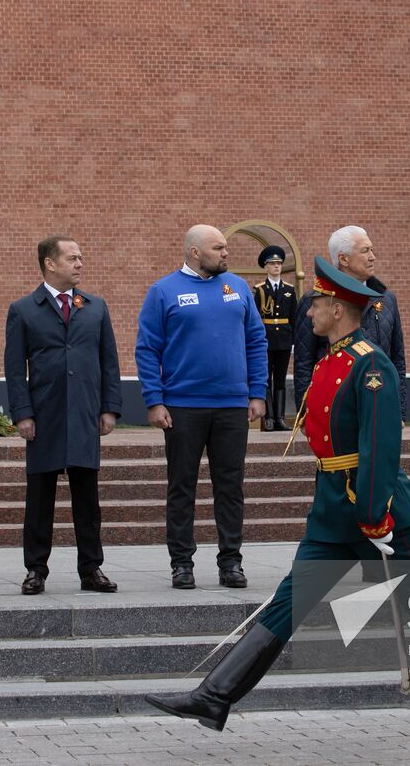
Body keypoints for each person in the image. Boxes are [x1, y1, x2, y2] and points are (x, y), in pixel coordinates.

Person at [145, 258, 410, 750]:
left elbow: (381, 445)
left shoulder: (369, 363)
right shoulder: (331, 359)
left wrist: (375, 515)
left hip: (373, 509)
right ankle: (215, 696)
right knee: (288, 604)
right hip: (333, 510)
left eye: (315, 303)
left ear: (337, 308)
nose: (309, 311)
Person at [136, 224, 268, 589]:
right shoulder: (163, 291)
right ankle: (182, 563)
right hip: (182, 407)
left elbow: (256, 341)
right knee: (182, 486)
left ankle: (231, 562)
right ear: (195, 252)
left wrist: (257, 392)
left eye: (225, 247)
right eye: (218, 248)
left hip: (231, 406)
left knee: (231, 486)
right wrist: (154, 400)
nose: (226, 253)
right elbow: (147, 349)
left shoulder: (238, 288)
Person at [5, 235, 123, 595]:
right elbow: (14, 369)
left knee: (87, 498)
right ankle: (35, 570)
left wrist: (109, 408)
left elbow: (109, 362)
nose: (79, 264)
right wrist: (23, 413)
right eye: (72, 258)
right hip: (45, 415)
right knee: (39, 498)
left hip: (85, 413)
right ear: (49, 263)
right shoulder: (24, 309)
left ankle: (91, 569)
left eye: (81, 258)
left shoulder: (95, 307)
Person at [293, 226, 406, 420]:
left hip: (379, 404)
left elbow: (397, 360)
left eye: (372, 249)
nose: (372, 257)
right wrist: (305, 414)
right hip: (336, 410)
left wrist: (400, 411)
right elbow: (304, 361)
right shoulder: (316, 301)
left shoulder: (386, 299)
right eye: (364, 251)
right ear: (343, 259)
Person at [252, 244, 298, 430]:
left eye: (279, 263)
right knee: (266, 379)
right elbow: (256, 318)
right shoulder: (260, 290)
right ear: (266, 266)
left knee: (280, 380)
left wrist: (293, 340)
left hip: (284, 340)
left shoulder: (289, 289)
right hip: (266, 338)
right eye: (272, 264)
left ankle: (280, 418)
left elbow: (294, 316)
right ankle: (269, 418)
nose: (276, 267)